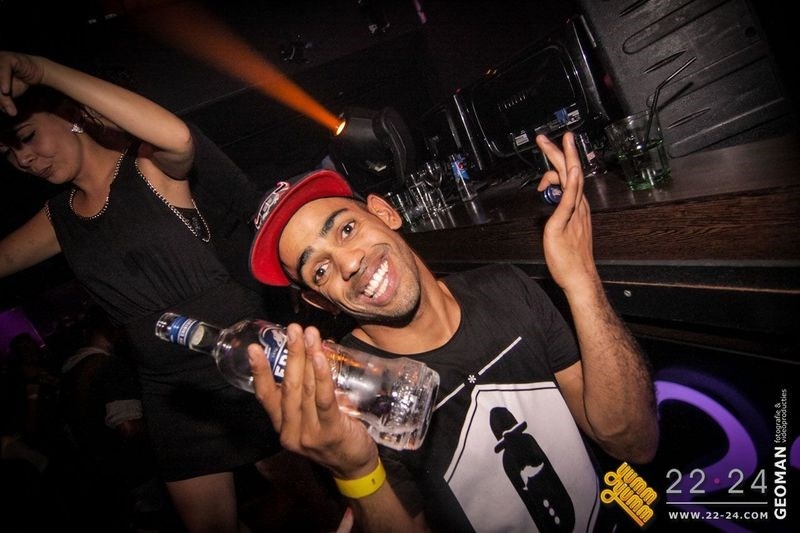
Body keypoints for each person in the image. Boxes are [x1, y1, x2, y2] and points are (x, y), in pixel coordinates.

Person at [245, 131, 660, 531]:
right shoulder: (351, 396)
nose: (349, 263)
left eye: (347, 229)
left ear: (384, 212)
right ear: (322, 302)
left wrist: (581, 279)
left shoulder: (506, 287)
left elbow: (633, 442)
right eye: (320, 270)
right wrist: (354, 471)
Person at [0, 50, 333, 532]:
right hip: (170, 392)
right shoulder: (57, 218)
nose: (22, 159)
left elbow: (177, 137)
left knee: (312, 506)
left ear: (70, 114)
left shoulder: (146, 166)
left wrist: (43, 70)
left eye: (27, 137)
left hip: (247, 362)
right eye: (8, 154)